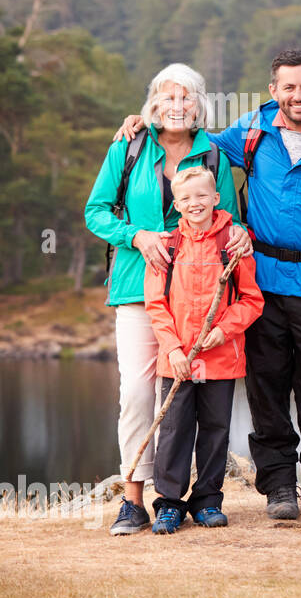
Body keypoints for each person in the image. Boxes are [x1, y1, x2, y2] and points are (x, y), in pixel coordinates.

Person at [114, 49, 301, 520]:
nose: (298, 95)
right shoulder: (249, 132)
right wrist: (143, 121)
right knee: (266, 388)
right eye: (288, 87)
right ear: (274, 92)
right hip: (262, 275)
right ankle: (280, 486)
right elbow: (190, 137)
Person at [86, 63, 248, 536]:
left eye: (187, 98)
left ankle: (190, 497)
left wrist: (239, 237)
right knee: (138, 394)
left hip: (200, 298)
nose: (177, 106)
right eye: (167, 98)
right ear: (152, 106)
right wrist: (136, 236)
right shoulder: (129, 145)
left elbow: (229, 219)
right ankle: (134, 500)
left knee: (200, 400)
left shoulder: (213, 152)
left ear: (200, 106)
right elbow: (96, 211)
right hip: (140, 288)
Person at [143, 167, 264, 532]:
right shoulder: (167, 247)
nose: (194, 203)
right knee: (175, 429)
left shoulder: (233, 244)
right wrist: (174, 350)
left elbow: (252, 300)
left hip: (221, 359)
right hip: (176, 360)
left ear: (215, 198)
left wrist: (225, 331)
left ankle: (208, 500)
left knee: (215, 430)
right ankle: (169, 503)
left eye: (201, 196)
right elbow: (156, 305)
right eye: (186, 198)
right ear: (176, 204)